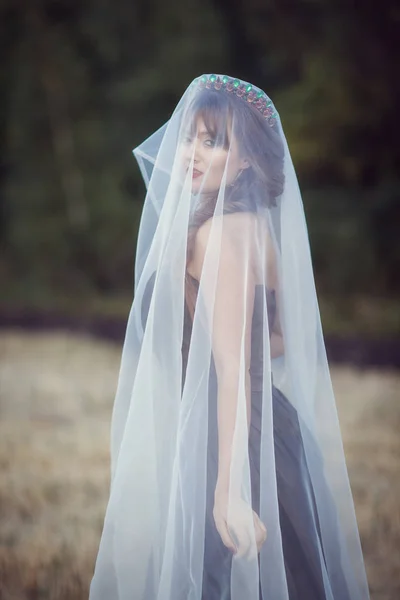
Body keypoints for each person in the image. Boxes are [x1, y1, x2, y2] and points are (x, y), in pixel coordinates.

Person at [89, 74, 370, 599]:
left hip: (232, 446)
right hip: (267, 432)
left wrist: (229, 490)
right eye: (191, 136)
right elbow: (278, 335)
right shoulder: (254, 229)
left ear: (245, 161)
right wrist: (241, 362)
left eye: (213, 141)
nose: (192, 152)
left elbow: (231, 370)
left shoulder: (218, 237)